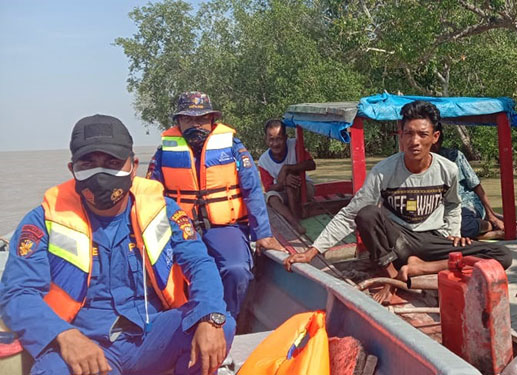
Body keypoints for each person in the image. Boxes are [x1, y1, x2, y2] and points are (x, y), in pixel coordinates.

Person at [0, 115, 234, 375]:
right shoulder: (43, 221)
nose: (101, 174)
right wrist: (64, 336)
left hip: (150, 334)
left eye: (112, 162)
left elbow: (199, 262)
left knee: (219, 324)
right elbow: (17, 294)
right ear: (72, 169)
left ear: (133, 166)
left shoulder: (164, 211)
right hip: (84, 342)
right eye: (88, 163)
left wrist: (209, 314)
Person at [283, 100, 512, 304]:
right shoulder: (384, 171)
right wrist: (312, 251)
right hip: (397, 242)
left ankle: (420, 267)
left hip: (434, 240)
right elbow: (350, 214)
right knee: (367, 213)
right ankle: (393, 278)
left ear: (435, 137)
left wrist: (452, 232)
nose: (415, 141)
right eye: (408, 134)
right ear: (400, 136)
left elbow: (452, 204)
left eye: (422, 134)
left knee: (503, 256)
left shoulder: (448, 169)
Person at [146, 91, 282, 320]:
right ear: (178, 122)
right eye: (187, 119)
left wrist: (263, 234)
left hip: (225, 227)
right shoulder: (162, 155)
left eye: (200, 119)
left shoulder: (233, 148)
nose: (194, 125)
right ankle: (185, 321)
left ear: (212, 121)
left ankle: (228, 320)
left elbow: (253, 191)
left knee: (236, 270)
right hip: (181, 230)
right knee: (166, 275)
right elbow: (150, 196)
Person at [432, 131, 505, 240]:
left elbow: (476, 185)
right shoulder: (417, 162)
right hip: (441, 208)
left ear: (436, 140)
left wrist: (491, 216)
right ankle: (482, 236)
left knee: (461, 225)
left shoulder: (454, 156)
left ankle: (489, 226)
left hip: (465, 203)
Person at [257, 119, 316, 234]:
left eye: (279, 138)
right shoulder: (263, 161)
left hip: (304, 188)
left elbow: (311, 164)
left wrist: (288, 168)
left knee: (290, 179)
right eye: (271, 139)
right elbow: (269, 188)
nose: (275, 143)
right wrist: (283, 183)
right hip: (283, 192)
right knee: (270, 198)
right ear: (266, 140)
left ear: (285, 137)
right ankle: (294, 221)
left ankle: (296, 220)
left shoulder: (295, 145)